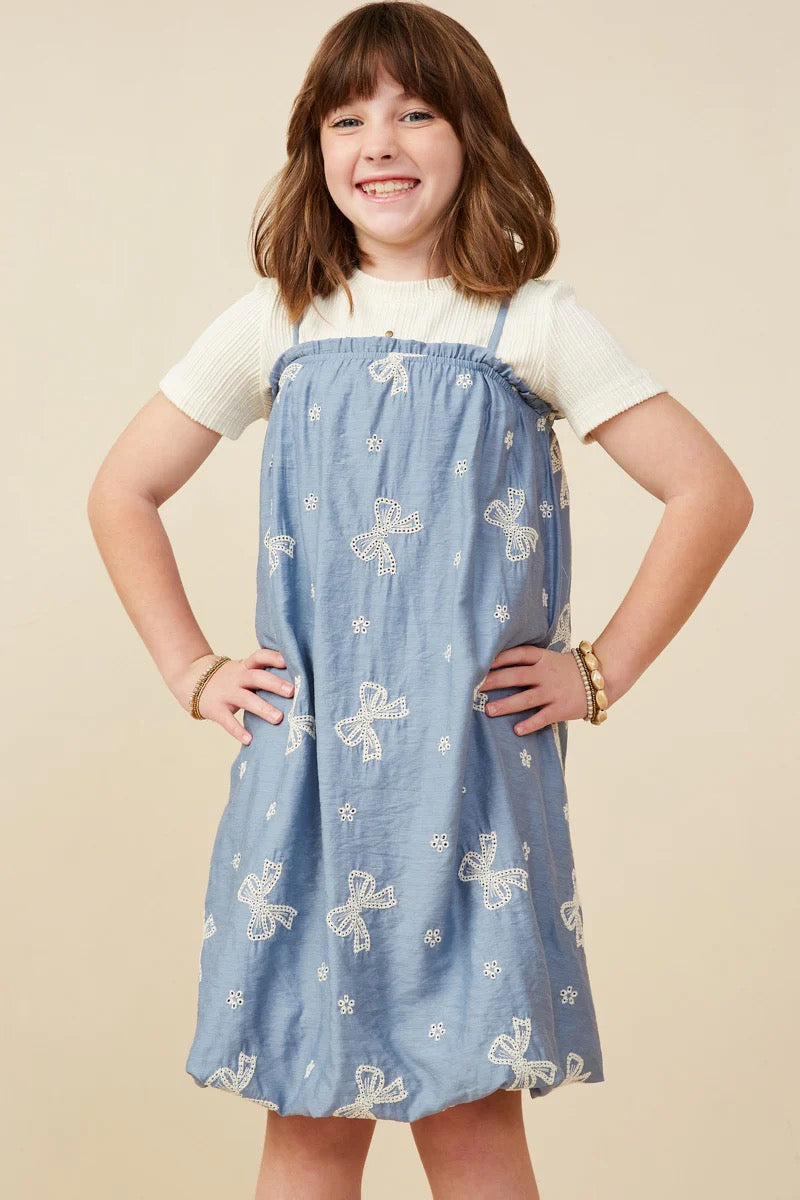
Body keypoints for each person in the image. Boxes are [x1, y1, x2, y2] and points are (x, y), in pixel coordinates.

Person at [87, 3, 753, 1198]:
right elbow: (121, 491)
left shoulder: (529, 321)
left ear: (472, 135)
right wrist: (192, 669)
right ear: (314, 150)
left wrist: (596, 670)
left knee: (471, 1118)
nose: (380, 144)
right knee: (307, 1115)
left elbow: (707, 491)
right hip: (308, 784)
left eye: (415, 113)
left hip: (470, 786)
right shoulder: (279, 320)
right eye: (347, 119)